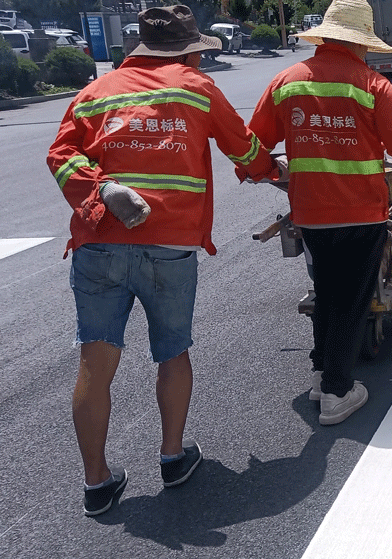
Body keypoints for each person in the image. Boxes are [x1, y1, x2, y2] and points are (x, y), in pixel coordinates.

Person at [47, 5, 274, 516]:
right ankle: (173, 457)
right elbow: (243, 148)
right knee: (171, 351)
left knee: (95, 359)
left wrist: (99, 187)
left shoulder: (95, 92)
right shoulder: (196, 87)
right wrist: (270, 170)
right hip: (170, 242)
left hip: (99, 239)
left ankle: (97, 483)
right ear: (191, 50)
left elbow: (60, 157)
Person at [246, 0, 392, 426]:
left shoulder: (287, 82)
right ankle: (338, 392)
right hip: (361, 215)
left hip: (311, 216)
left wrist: (266, 170)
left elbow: (251, 144)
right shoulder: (371, 85)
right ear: (361, 43)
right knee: (352, 299)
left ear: (324, 37)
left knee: (326, 289)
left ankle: (323, 375)